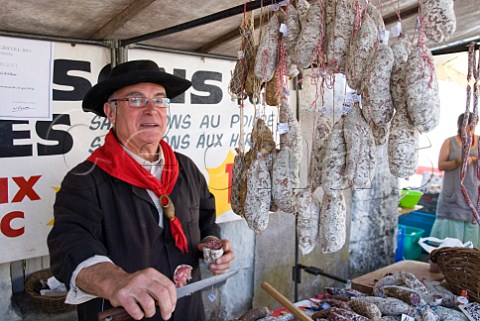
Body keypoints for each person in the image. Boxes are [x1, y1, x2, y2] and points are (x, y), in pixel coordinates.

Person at [47, 60, 235, 321]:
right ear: (110, 112)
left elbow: (205, 219)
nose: (151, 110)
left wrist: (210, 245)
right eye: (136, 100)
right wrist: (115, 282)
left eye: (159, 100)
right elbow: (68, 244)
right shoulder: (84, 180)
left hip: (188, 312)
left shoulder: (186, 168)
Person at [430, 112, 480, 247]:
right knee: (450, 237)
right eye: (467, 125)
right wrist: (458, 162)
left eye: (473, 125)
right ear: (460, 125)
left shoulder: (479, 142)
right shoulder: (449, 142)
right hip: (453, 194)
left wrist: (474, 159)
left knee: (472, 237)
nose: (470, 128)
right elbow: (441, 165)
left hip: (474, 196)